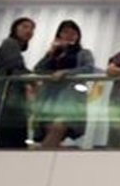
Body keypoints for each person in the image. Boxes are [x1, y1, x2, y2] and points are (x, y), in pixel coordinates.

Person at [33, 20, 96, 149]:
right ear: (59, 34)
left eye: (73, 33)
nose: (69, 35)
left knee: (59, 126)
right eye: (65, 32)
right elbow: (38, 70)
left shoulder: (83, 52)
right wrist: (51, 52)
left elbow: (89, 68)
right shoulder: (54, 53)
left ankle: (41, 158)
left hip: (70, 98)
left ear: (78, 36)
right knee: (50, 131)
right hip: (49, 98)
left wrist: (66, 73)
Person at [0, 16, 35, 149]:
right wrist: (34, 79)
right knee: (12, 133)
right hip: (6, 98)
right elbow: (15, 65)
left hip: (9, 99)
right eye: (25, 26)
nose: (29, 30)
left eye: (32, 28)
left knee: (11, 133)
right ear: (14, 29)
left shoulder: (12, 46)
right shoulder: (9, 43)